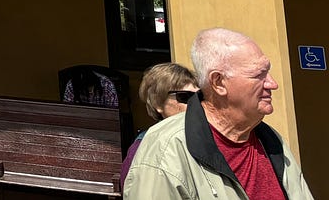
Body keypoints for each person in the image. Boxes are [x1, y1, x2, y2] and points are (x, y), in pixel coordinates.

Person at [124, 28, 314, 200]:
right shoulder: (165, 150)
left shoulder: (272, 141)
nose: (272, 84)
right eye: (258, 75)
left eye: (268, 73)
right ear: (218, 82)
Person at [121, 61, 197, 176]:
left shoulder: (208, 137)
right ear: (158, 103)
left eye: (200, 96)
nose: (196, 103)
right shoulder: (143, 147)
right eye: (184, 97)